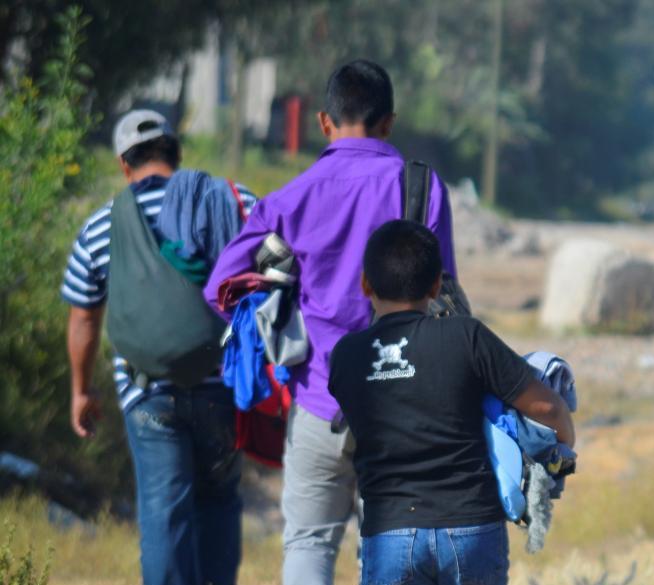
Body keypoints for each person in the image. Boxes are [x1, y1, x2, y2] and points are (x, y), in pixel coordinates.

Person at [204, 59, 457, 584]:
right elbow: (443, 293)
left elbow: (221, 289)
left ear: (324, 122)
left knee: (308, 544)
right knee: (393, 551)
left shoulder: (288, 200)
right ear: (389, 122)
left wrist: (278, 322)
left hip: (318, 403)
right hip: (401, 411)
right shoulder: (422, 189)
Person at [63, 110, 256, 585]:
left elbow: (85, 316)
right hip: (226, 391)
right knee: (219, 503)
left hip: (149, 396)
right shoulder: (238, 202)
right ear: (176, 154)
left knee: (164, 513)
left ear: (124, 166)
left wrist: (81, 392)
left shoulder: (100, 226)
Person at [328, 220, 576, 585]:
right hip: (470, 526)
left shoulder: (347, 355)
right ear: (435, 285)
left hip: (390, 531)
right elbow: (547, 408)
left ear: (365, 284)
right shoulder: (466, 336)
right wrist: (564, 443)